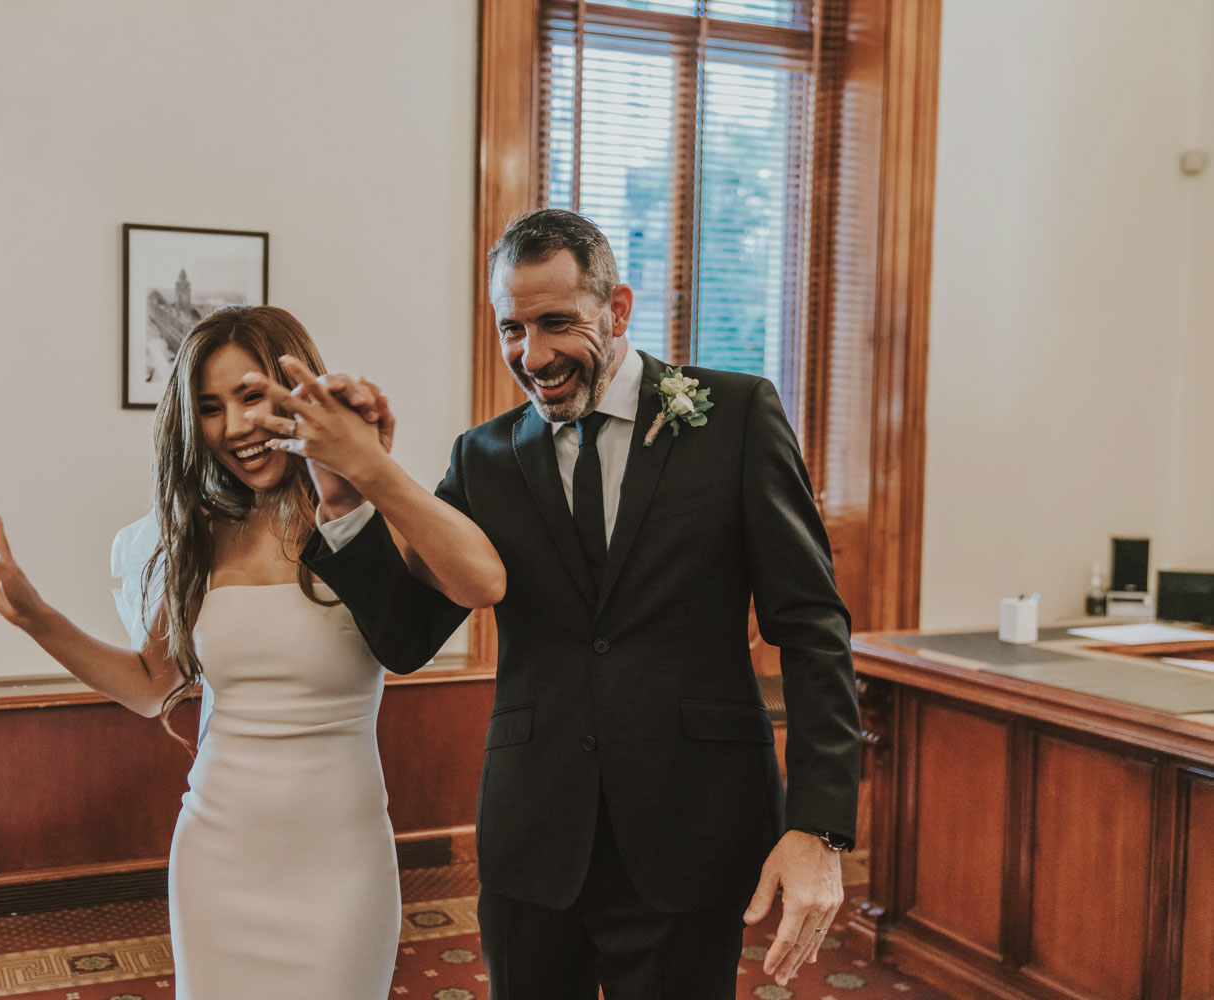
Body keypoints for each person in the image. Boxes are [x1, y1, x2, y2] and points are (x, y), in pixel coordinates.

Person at [296, 210, 861, 999]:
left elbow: (811, 627)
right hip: (534, 833)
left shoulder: (734, 417)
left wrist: (818, 825)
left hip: (693, 823)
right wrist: (344, 502)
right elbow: (408, 636)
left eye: (556, 322)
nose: (533, 355)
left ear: (616, 309)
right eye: (511, 329)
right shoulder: (483, 457)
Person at [0, 305, 505, 1000]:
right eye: (210, 407)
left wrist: (368, 466)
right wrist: (38, 619)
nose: (234, 426)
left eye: (251, 395)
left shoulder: (357, 519)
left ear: (298, 393)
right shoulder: (201, 533)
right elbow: (149, 687)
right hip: (217, 854)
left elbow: (483, 580)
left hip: (339, 863)